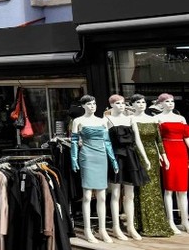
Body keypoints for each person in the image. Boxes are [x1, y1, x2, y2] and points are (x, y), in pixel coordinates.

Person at [71, 95, 118, 243]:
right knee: (87, 195)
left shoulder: (103, 121)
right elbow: (73, 142)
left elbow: (108, 142)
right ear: (83, 106)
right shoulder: (78, 121)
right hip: (87, 156)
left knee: (102, 196)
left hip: (101, 156)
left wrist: (113, 160)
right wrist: (74, 159)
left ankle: (102, 229)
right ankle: (87, 229)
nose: (92, 106)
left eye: (94, 103)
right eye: (89, 104)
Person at [105, 94, 150, 241]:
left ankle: (130, 226)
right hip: (117, 157)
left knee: (130, 194)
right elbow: (106, 143)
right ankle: (116, 227)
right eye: (117, 103)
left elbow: (137, 140)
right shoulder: (106, 120)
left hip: (131, 157)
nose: (121, 105)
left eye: (123, 103)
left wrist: (145, 158)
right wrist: (111, 160)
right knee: (116, 194)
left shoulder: (131, 119)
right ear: (111, 105)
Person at [131, 94, 174, 237]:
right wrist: (145, 158)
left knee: (155, 189)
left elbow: (159, 140)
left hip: (154, 157)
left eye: (143, 102)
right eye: (138, 102)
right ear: (133, 105)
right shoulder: (133, 119)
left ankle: (159, 223)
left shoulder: (153, 119)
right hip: (140, 155)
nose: (141, 104)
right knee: (143, 189)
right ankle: (144, 224)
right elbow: (137, 141)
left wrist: (164, 156)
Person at [155, 93, 189, 234]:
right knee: (169, 188)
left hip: (181, 152)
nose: (170, 103)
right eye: (167, 101)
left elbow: (187, 137)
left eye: (172, 101)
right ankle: (170, 221)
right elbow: (156, 139)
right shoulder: (157, 118)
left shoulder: (181, 118)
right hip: (167, 152)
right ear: (161, 103)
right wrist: (160, 155)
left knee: (183, 189)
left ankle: (185, 220)